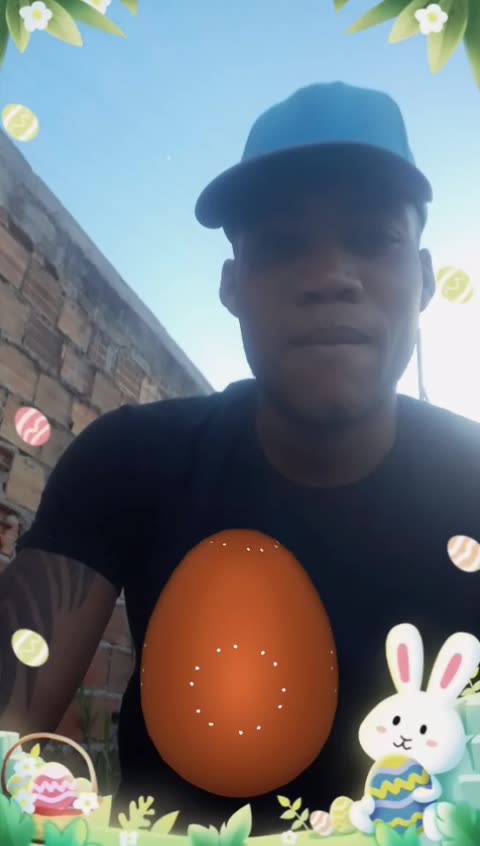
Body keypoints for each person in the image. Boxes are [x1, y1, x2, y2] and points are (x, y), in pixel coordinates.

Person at [1, 81, 479, 835]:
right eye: (281, 245)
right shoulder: (133, 460)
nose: (330, 276)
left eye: (373, 237)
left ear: (422, 280)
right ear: (232, 287)